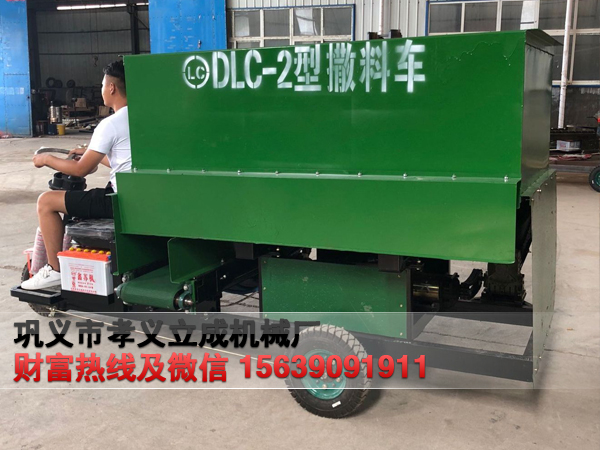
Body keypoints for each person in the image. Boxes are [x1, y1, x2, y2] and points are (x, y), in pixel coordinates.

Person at [21, 60, 131, 290]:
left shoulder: (110, 124)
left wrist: (46, 159)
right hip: (139, 196)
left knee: (46, 202)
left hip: (120, 201)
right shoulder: (140, 118)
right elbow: (121, 159)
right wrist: (90, 152)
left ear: (111, 87)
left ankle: (54, 270)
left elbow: (81, 170)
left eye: (103, 85)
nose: (102, 89)